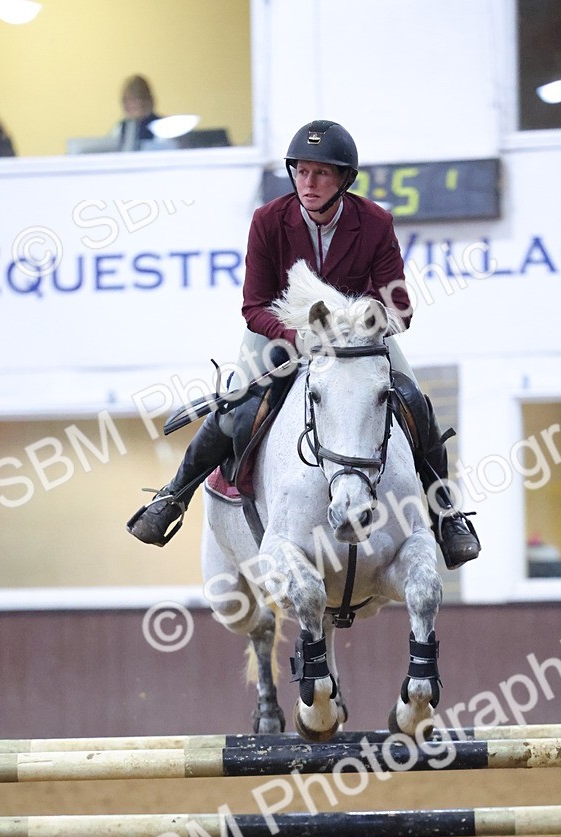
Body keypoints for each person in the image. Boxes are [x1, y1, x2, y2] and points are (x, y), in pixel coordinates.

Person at [127, 118, 480, 569]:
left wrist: (362, 325)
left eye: (321, 174)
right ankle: (173, 495)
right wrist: (301, 337)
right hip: (282, 336)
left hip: (358, 340)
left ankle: (447, 516)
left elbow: (400, 307)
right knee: (235, 407)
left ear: (344, 180)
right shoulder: (268, 221)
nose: (308, 184)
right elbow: (254, 306)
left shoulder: (374, 222)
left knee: (414, 401)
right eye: (301, 172)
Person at [112, 75, 161, 151]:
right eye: (127, 100)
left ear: (147, 100)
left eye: (135, 99)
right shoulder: (121, 127)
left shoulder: (160, 126)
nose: (131, 105)